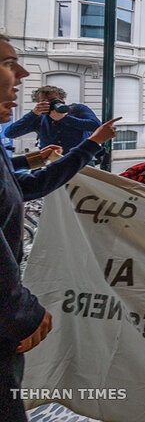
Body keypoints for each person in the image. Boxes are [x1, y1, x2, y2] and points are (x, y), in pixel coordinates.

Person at [0, 33, 120, 421]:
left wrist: (77, 131)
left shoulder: (75, 109)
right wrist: (22, 310)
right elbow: (14, 136)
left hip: (71, 169)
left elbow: (89, 123)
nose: (20, 72)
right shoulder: (30, 116)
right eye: (7, 63)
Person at [4, 85, 101, 156]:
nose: (49, 105)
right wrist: (33, 113)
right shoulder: (39, 118)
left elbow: (96, 126)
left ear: (63, 100)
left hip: (80, 159)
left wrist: (65, 118)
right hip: (52, 162)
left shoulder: (77, 109)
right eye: (44, 102)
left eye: (53, 101)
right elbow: (10, 133)